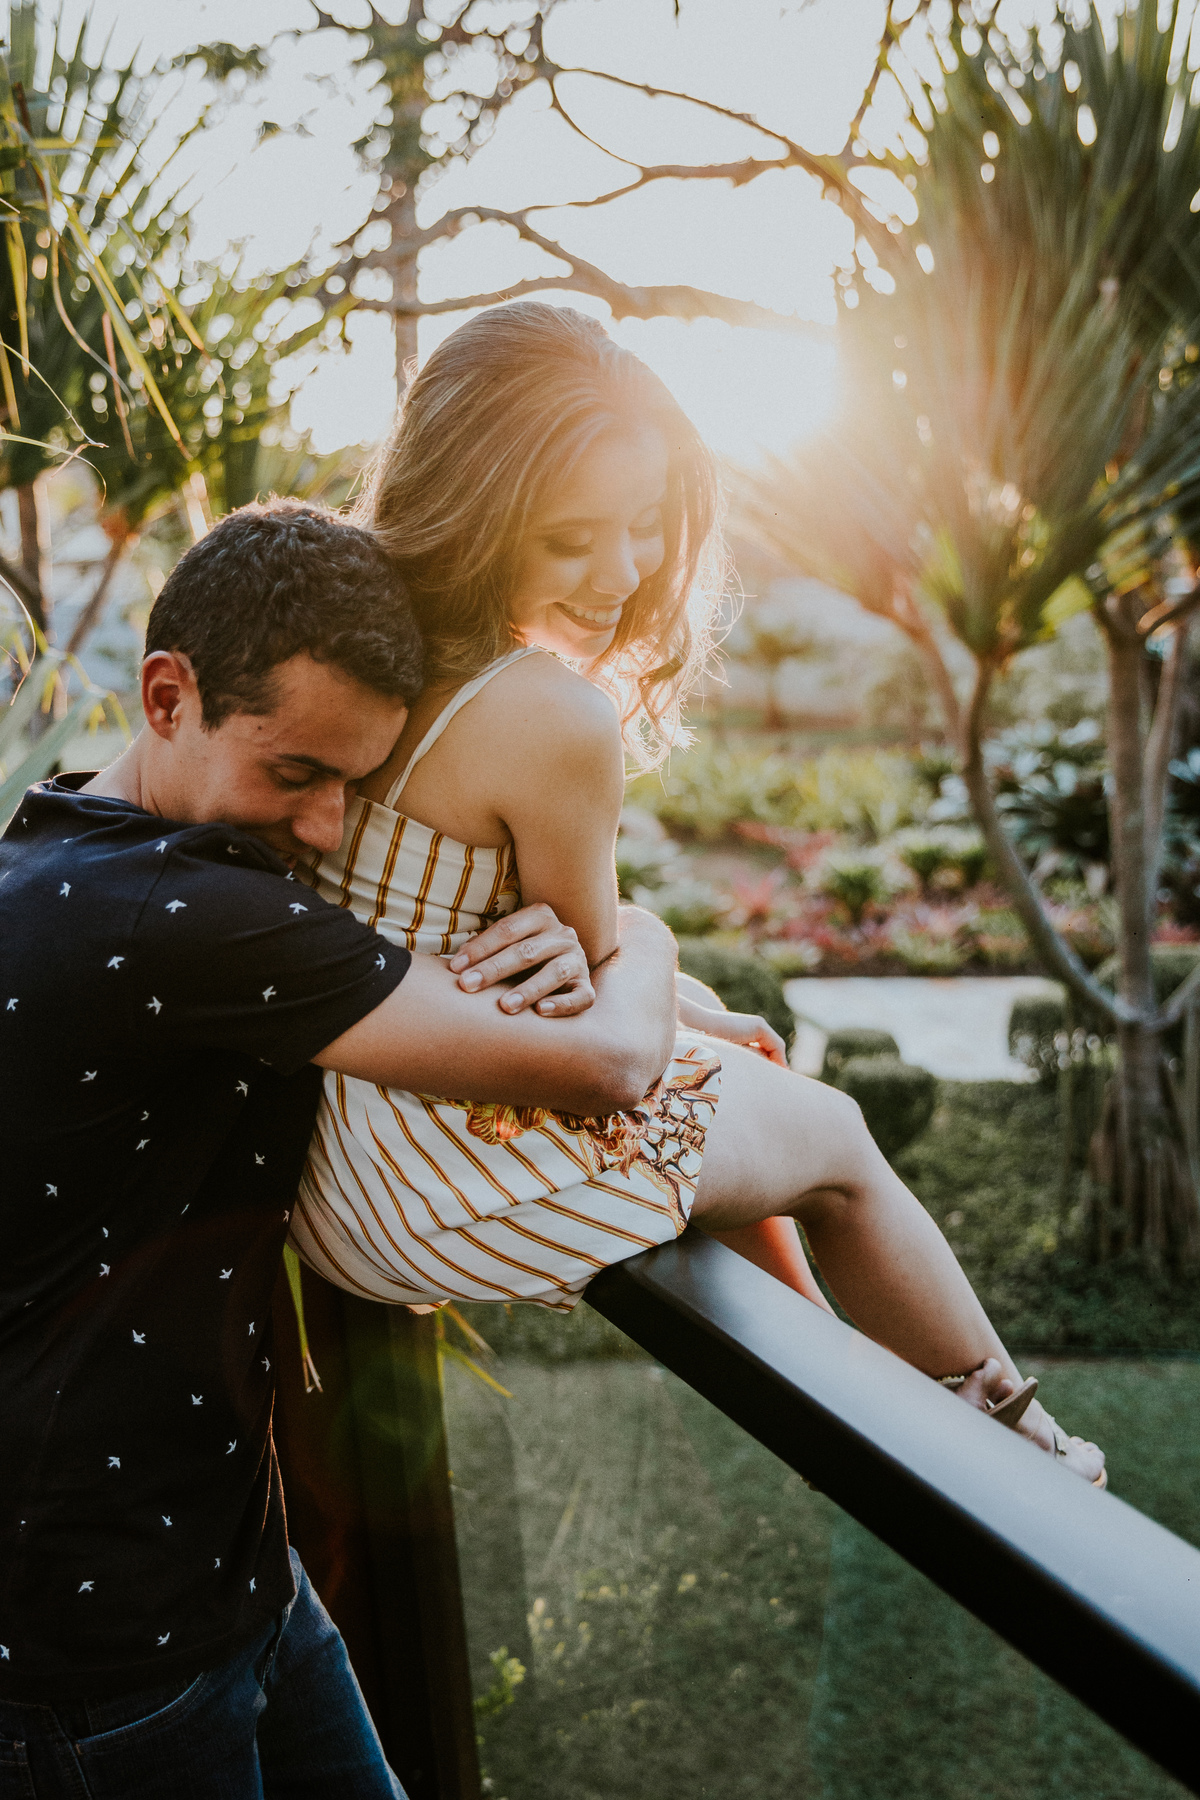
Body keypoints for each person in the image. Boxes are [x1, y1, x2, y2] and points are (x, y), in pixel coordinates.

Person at [290, 301, 1105, 1489]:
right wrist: (664, 956)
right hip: (456, 1164)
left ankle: (839, 1386)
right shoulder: (546, 714)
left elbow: (556, 956)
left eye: (643, 526)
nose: (622, 574)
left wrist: (683, 1002)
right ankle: (1018, 1437)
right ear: (475, 509)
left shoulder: (355, 640)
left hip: (345, 1167)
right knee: (836, 1138)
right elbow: (594, 967)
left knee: (739, 1070)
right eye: (572, 537)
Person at [0, 500, 680, 1799]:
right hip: (98, 1663)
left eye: (353, 787)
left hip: (228, 1572)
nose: (323, 830)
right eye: (295, 774)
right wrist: (636, 940)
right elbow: (607, 1066)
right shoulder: (188, 914)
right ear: (166, 693)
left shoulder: (67, 836)